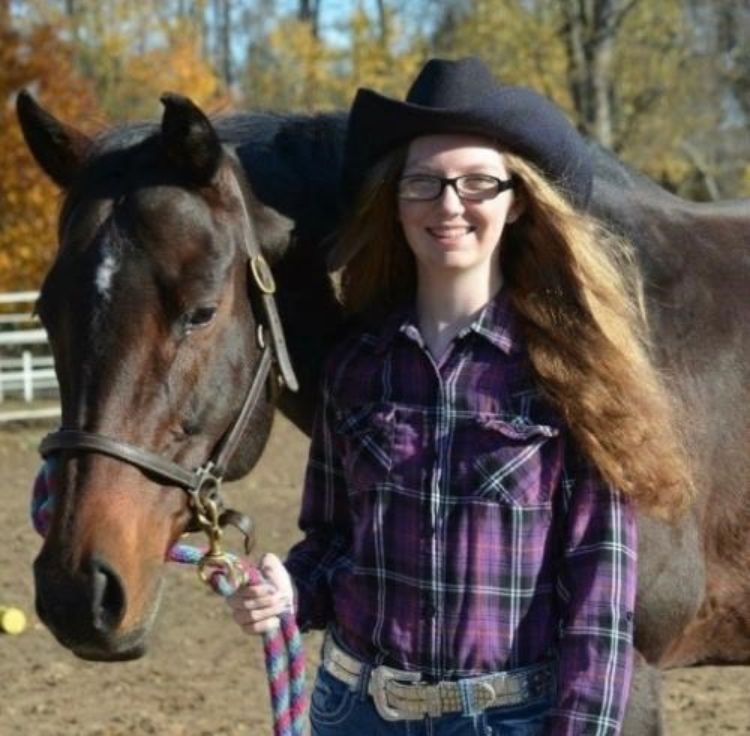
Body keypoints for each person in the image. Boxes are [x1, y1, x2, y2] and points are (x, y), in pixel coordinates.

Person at [227, 57, 692, 735]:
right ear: (396, 198)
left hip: (506, 718)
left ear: (517, 199)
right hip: (353, 710)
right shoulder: (357, 367)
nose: (449, 204)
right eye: (425, 182)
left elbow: (599, 609)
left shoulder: (574, 376)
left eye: (477, 182)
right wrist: (289, 590)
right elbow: (331, 542)